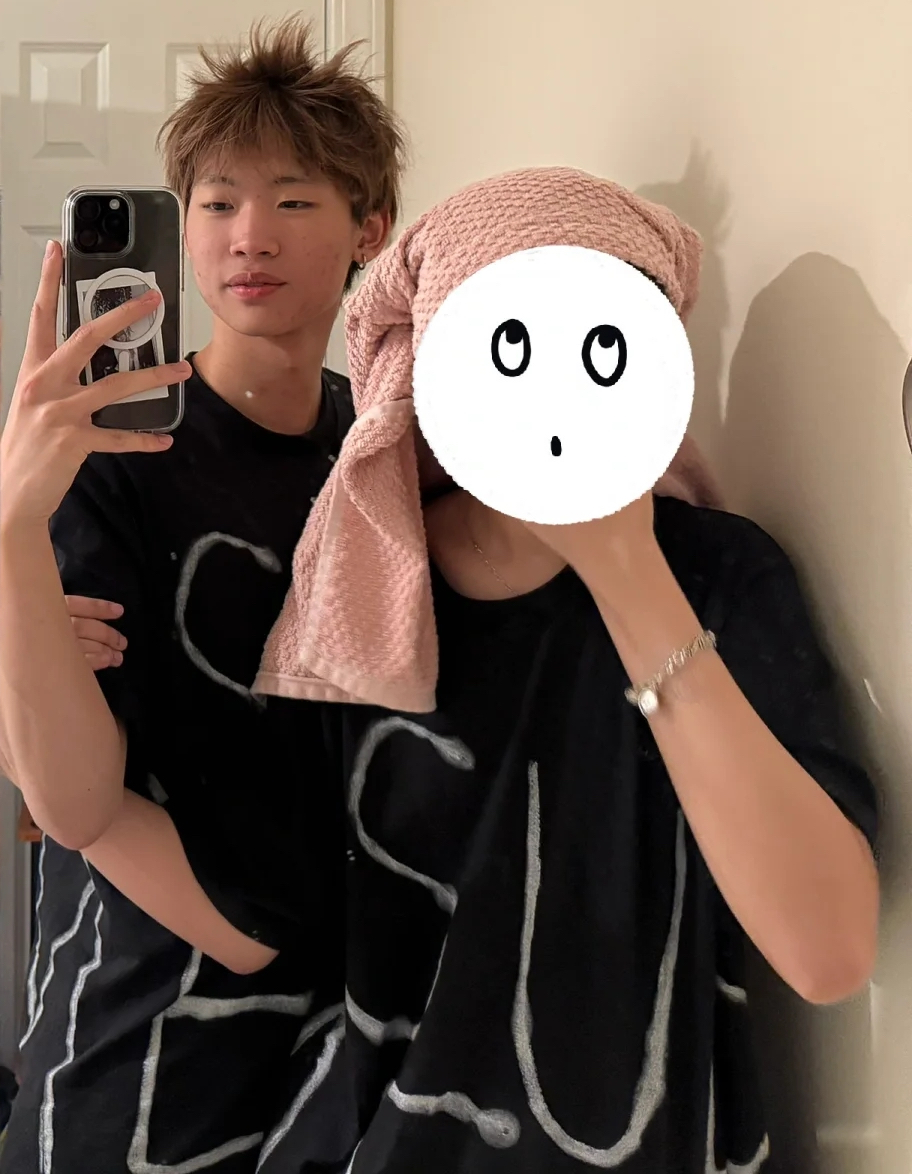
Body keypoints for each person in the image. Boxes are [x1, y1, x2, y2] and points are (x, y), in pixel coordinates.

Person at [42, 169, 879, 1172]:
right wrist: (30, 671)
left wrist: (625, 568)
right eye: (509, 347)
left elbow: (828, 954)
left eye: (599, 346)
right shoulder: (356, 589)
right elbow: (255, 912)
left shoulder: (723, 575)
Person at [0, 15, 406, 1172]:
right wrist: (13, 531)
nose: (248, 236)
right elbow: (70, 797)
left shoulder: (381, 447)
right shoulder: (106, 455)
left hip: (344, 1042)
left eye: (293, 199)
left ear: (370, 226)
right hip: (134, 1031)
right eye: (217, 202)